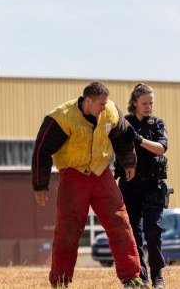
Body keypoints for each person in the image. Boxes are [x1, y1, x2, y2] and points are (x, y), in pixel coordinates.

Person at [31, 81, 146, 289]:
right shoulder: (62, 117)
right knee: (68, 231)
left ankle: (132, 278)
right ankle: (61, 281)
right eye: (101, 103)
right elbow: (42, 150)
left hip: (102, 174)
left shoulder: (109, 110)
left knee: (120, 223)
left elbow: (122, 136)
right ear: (88, 101)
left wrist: (128, 162)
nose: (105, 106)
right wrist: (40, 185)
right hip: (73, 177)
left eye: (106, 103)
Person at [115, 83, 169, 289]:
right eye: (144, 103)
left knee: (153, 230)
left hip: (153, 185)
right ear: (134, 103)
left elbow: (161, 149)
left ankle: (157, 275)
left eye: (151, 103)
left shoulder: (157, 123)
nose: (148, 106)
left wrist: (139, 139)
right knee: (133, 233)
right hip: (129, 185)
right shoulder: (124, 123)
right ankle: (141, 276)